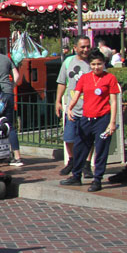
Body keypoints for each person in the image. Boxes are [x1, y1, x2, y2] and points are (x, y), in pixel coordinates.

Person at [61, 49, 121, 192]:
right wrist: (69, 108)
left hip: (102, 120)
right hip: (85, 119)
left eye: (99, 64)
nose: (96, 67)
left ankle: (97, 179)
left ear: (104, 63)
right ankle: (76, 176)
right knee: (80, 147)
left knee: (101, 149)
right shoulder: (85, 78)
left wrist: (112, 123)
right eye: (93, 64)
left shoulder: (110, 78)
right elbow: (76, 95)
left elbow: (113, 102)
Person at [55, 37, 93, 177]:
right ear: (75, 48)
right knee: (69, 137)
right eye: (82, 47)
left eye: (88, 46)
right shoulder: (68, 62)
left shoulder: (93, 62)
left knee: (88, 138)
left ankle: (86, 164)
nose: (85, 49)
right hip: (73, 108)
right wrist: (58, 101)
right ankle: (72, 160)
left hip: (90, 108)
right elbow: (61, 82)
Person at [0, 37, 23, 166]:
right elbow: (17, 76)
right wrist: (11, 86)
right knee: (9, 125)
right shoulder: (7, 58)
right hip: (7, 93)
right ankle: (17, 156)